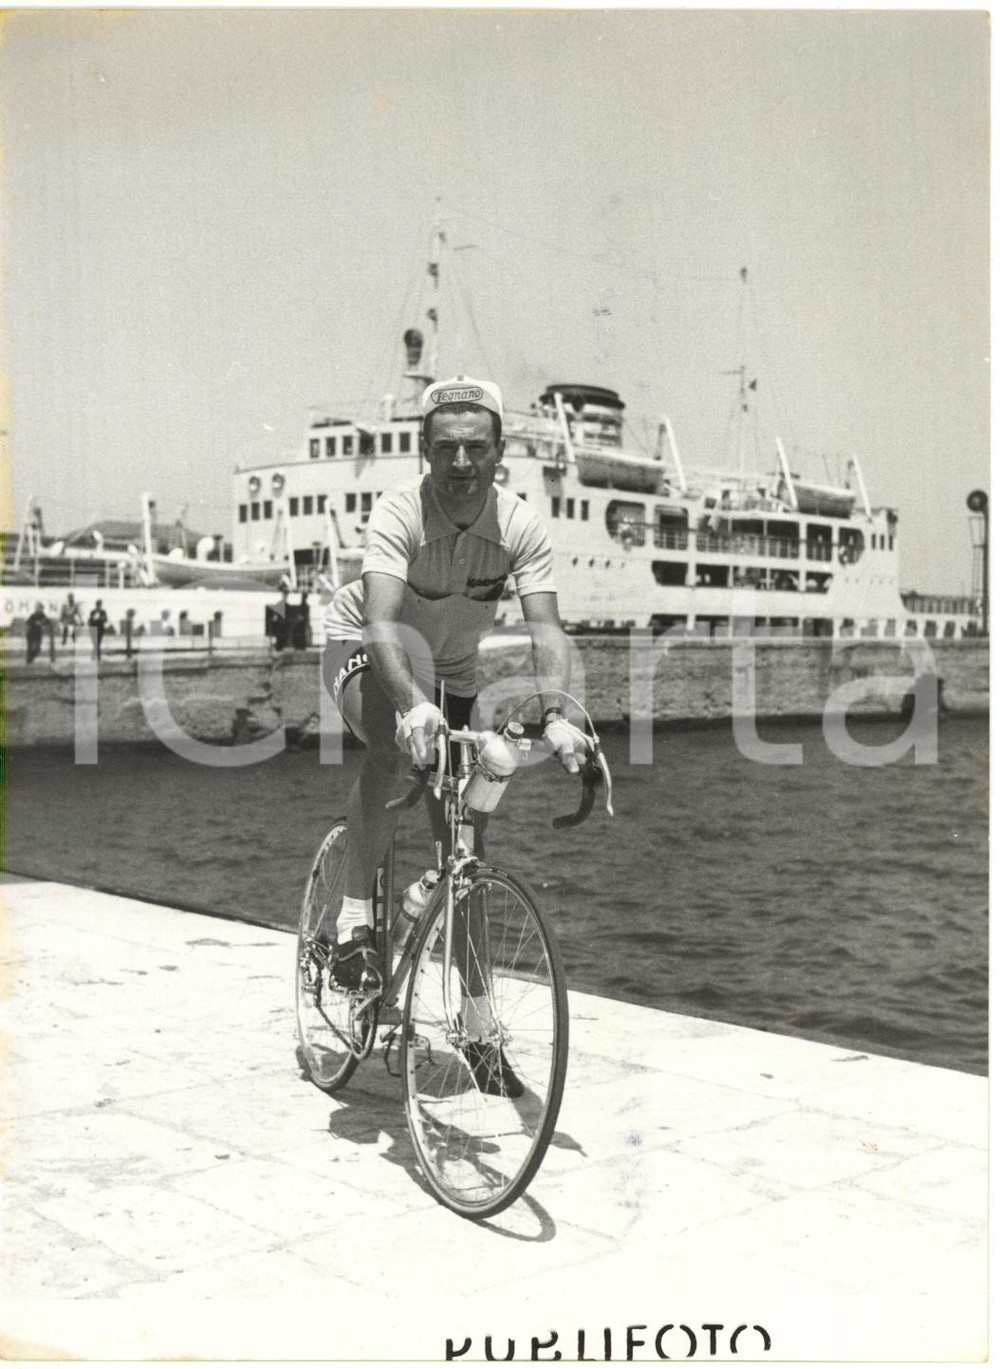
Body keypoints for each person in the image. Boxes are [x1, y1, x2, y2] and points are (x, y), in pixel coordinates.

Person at [322, 375, 590, 1095]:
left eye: (477, 447)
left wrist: (559, 714)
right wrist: (410, 706)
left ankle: (476, 1029)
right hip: (368, 648)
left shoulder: (522, 526)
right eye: (447, 449)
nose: (463, 462)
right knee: (393, 749)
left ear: (501, 451)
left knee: (465, 851)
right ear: (424, 452)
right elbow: (379, 622)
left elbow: (546, 629)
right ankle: (351, 925)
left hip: (454, 672)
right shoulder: (399, 511)